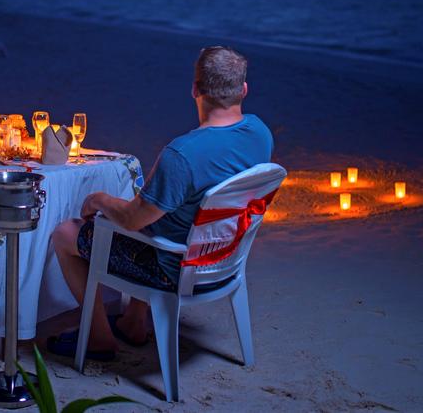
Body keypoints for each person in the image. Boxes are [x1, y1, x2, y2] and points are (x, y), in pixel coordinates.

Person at [48, 46, 273, 359]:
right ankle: (133, 322)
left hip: (174, 270)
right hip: (224, 260)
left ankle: (98, 338)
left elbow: (131, 221)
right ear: (244, 90)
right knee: (163, 214)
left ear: (195, 89)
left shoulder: (182, 154)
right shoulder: (260, 133)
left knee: (65, 233)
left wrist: (98, 200)